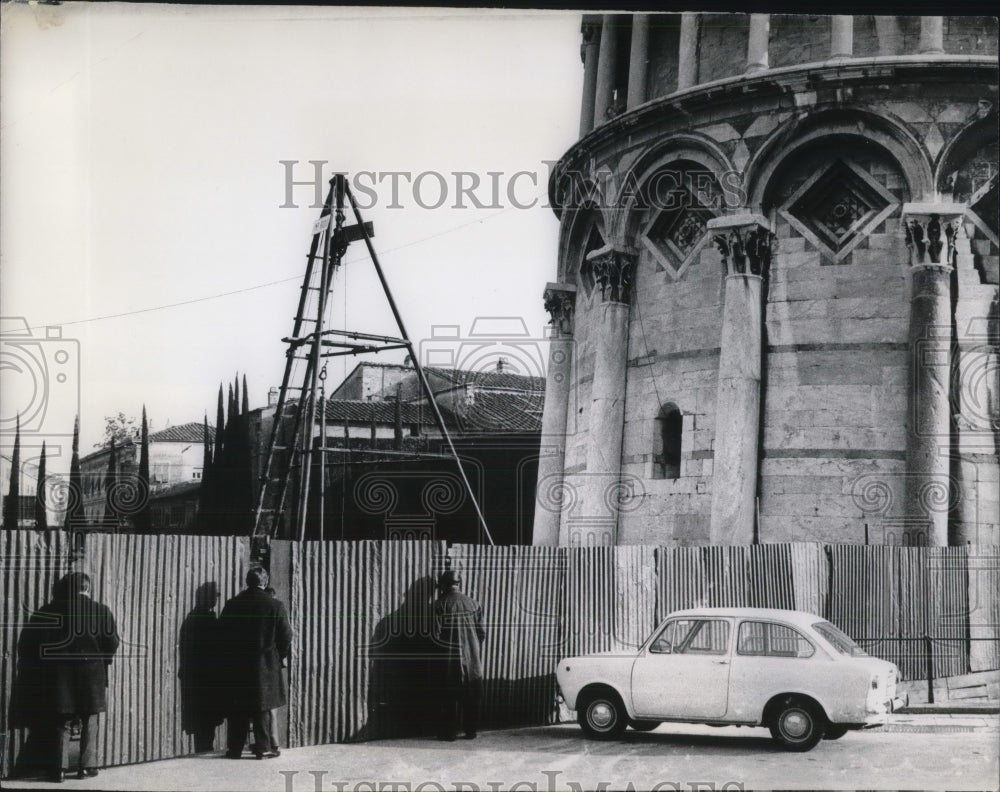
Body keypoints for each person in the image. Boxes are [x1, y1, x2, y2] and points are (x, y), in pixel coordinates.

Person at [34, 572, 120, 783]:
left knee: (62, 720)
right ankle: (86, 767)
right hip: (92, 674)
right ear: (88, 588)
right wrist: (103, 659)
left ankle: (59, 770)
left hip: (61, 676)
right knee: (90, 718)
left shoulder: (52, 611)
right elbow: (113, 642)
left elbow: (43, 643)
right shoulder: (102, 611)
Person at [219, 567, 292, 759]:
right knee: (263, 706)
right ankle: (264, 748)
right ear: (265, 582)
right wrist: (279, 656)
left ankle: (234, 749)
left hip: (237, 665)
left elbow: (221, 634)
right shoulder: (275, 605)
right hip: (265, 664)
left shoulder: (232, 604)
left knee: (238, 707)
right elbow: (286, 636)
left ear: (247, 582)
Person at [432, 568, 486, 741]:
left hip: (449, 660)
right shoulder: (474, 604)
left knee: (449, 697)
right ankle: (471, 732)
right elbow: (482, 633)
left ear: (444, 586)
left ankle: (449, 734)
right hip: (472, 661)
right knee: (471, 697)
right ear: (458, 584)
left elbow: (435, 636)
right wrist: (472, 648)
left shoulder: (439, 605)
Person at [178, 582, 223, 753]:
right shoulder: (208, 620)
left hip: (194, 679)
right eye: (213, 597)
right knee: (207, 725)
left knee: (201, 725)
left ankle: (203, 752)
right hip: (208, 680)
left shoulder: (190, 619)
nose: (215, 600)